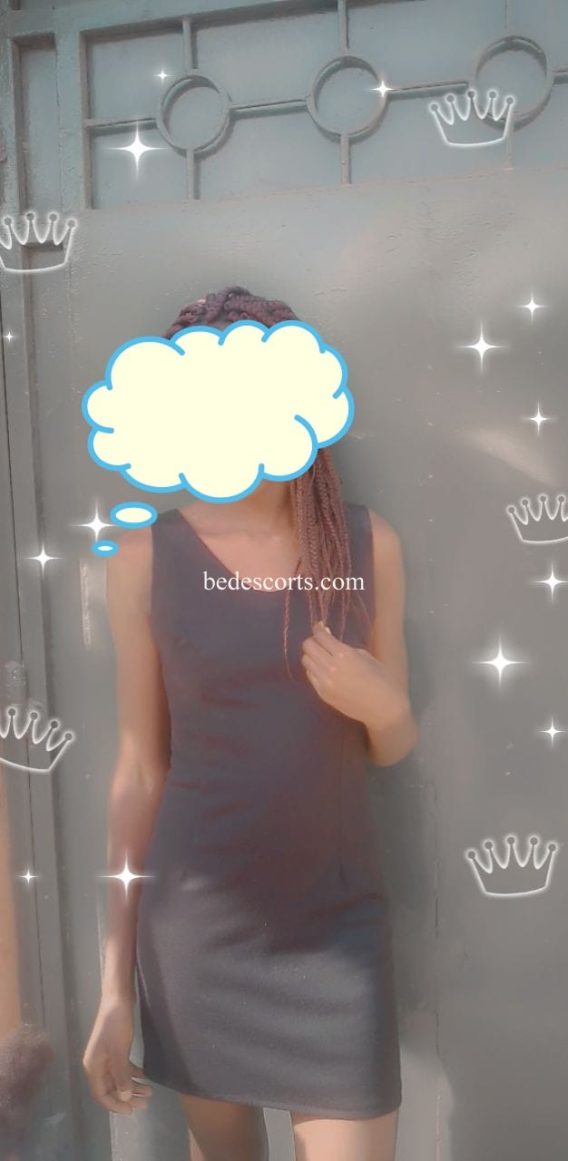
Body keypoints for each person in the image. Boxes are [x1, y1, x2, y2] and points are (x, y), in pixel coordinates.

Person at [82, 285, 418, 1161]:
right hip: (197, 939)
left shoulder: (365, 546)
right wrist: (112, 986)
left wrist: (382, 705)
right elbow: (139, 768)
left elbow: (395, 744)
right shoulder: (143, 558)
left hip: (337, 933)